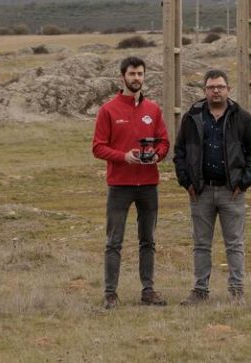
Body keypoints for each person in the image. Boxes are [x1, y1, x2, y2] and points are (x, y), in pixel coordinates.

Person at [174, 69, 251, 305]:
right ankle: (200, 291)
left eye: (220, 87)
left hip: (231, 191)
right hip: (200, 192)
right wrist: (186, 182)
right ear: (204, 91)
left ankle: (236, 292)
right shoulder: (192, 116)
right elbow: (180, 151)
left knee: (234, 243)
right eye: (211, 87)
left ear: (228, 90)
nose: (216, 91)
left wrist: (244, 181)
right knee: (201, 244)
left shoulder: (241, 117)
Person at [92, 56, 169, 310]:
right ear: (122, 77)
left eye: (140, 74)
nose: (137, 78)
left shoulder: (153, 110)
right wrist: (123, 157)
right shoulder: (108, 110)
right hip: (120, 186)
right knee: (114, 241)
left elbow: (164, 142)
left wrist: (157, 154)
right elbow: (98, 147)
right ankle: (110, 293)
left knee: (148, 240)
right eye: (132, 74)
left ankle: (148, 291)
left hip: (148, 185)